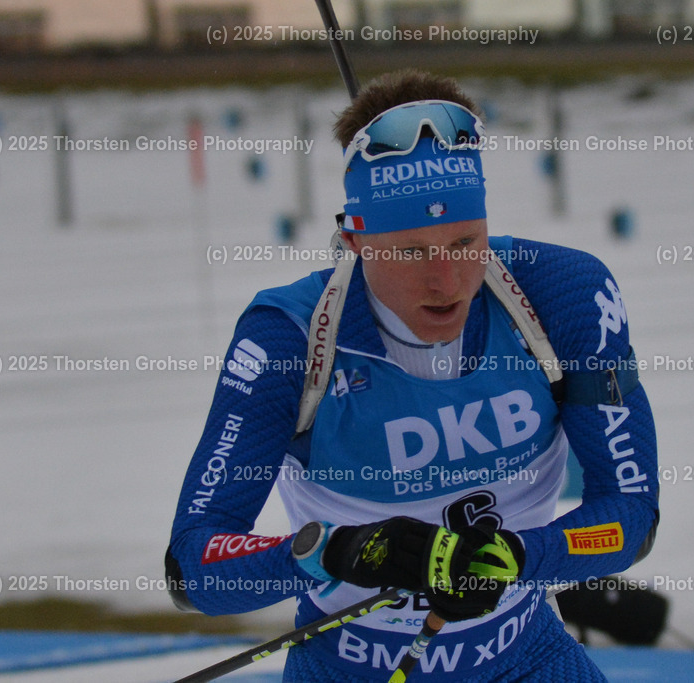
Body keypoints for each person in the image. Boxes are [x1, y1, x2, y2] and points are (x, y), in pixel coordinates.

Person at [166, 69, 659, 682]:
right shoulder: (288, 338)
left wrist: (521, 556)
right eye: (412, 251)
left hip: (527, 660)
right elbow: (193, 568)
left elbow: (630, 515)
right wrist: (337, 551)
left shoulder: (563, 295)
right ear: (355, 240)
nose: (446, 281)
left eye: (464, 242)